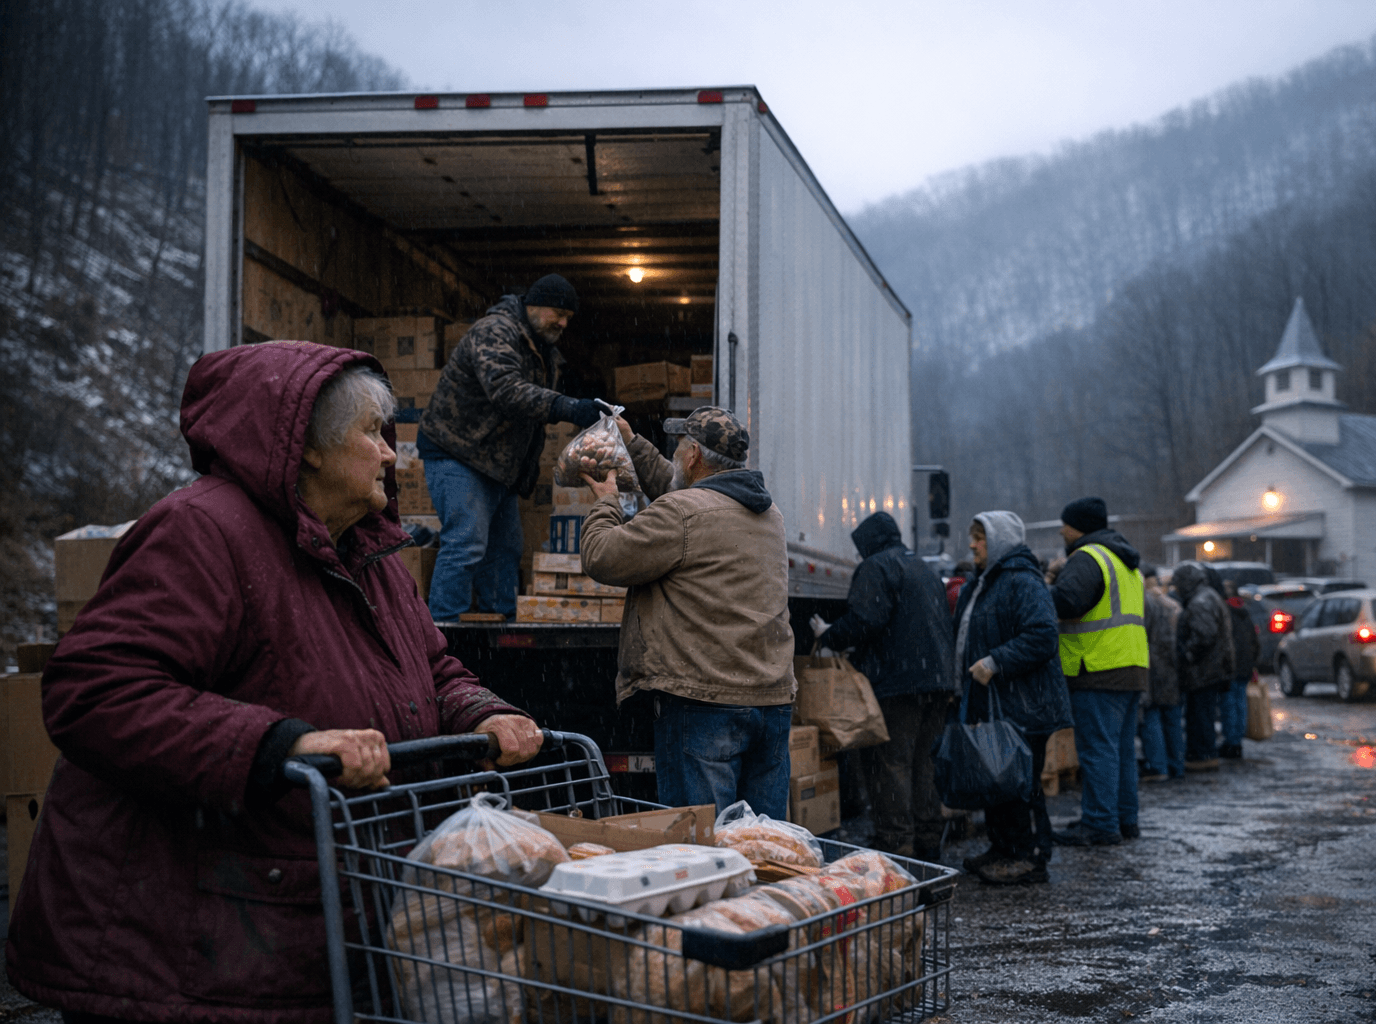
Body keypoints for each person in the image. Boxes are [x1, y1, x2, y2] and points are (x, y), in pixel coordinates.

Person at [6, 342, 544, 1024]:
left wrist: (479, 714)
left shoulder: (370, 552)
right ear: (309, 448)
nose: (391, 456)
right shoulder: (202, 531)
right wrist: (283, 744)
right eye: (373, 436)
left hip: (296, 926)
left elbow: (431, 665)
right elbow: (96, 691)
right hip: (191, 950)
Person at [580, 408, 796, 816]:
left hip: (704, 702)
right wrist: (632, 441)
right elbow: (684, 495)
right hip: (770, 700)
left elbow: (601, 557)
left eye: (679, 448)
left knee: (700, 848)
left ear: (693, 454)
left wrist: (608, 504)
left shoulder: (681, 513)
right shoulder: (770, 516)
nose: (676, 456)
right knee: (761, 847)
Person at [418, 274, 603, 621]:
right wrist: (568, 406)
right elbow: (506, 390)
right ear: (534, 304)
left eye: (568, 317)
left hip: (496, 463)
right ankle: (442, 635)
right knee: (466, 543)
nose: (563, 323)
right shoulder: (495, 331)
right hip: (458, 452)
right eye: (558, 313)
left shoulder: (544, 349)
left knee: (505, 550)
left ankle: (500, 632)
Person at [807, 511, 953, 861]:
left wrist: (830, 634)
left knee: (889, 765)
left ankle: (895, 845)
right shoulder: (922, 567)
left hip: (897, 683)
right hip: (936, 681)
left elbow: (866, 620)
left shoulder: (877, 567)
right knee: (923, 764)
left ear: (870, 543)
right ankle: (928, 842)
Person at [953, 511, 1073, 885]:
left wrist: (996, 661)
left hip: (1023, 704)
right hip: (994, 702)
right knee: (995, 777)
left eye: (980, 537)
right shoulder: (983, 583)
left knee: (1021, 782)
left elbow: (1042, 636)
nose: (972, 544)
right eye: (972, 537)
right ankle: (1002, 848)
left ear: (1000, 541)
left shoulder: (1022, 581)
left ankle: (1029, 856)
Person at [1043, 497, 1149, 847]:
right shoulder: (1123, 560)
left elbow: (1068, 603)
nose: (1061, 530)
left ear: (1080, 527)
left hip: (1098, 668)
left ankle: (1101, 824)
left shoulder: (1088, 558)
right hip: (1130, 665)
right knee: (1118, 750)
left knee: (1097, 750)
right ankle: (1123, 819)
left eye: (1066, 524)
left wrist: (1049, 583)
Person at [1171, 561, 1234, 770]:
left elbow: (1204, 636)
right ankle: (1203, 753)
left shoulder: (1200, 602)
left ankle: (1202, 755)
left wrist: (1187, 655)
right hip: (1210, 669)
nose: (1177, 590)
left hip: (1203, 671)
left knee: (1200, 716)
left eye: (1178, 584)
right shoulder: (1208, 596)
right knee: (1202, 714)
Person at [1140, 573, 1184, 781]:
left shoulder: (1144, 602)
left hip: (1152, 666)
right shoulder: (1173, 604)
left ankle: (1158, 767)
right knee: (1173, 719)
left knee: (1151, 716)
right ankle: (1177, 765)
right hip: (1172, 665)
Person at [1221, 580, 1260, 759]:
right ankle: (1237, 741)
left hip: (1231, 666)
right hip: (1245, 666)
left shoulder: (1225, 612)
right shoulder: (1245, 612)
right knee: (1240, 703)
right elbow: (1254, 641)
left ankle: (1232, 742)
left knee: (1229, 705)